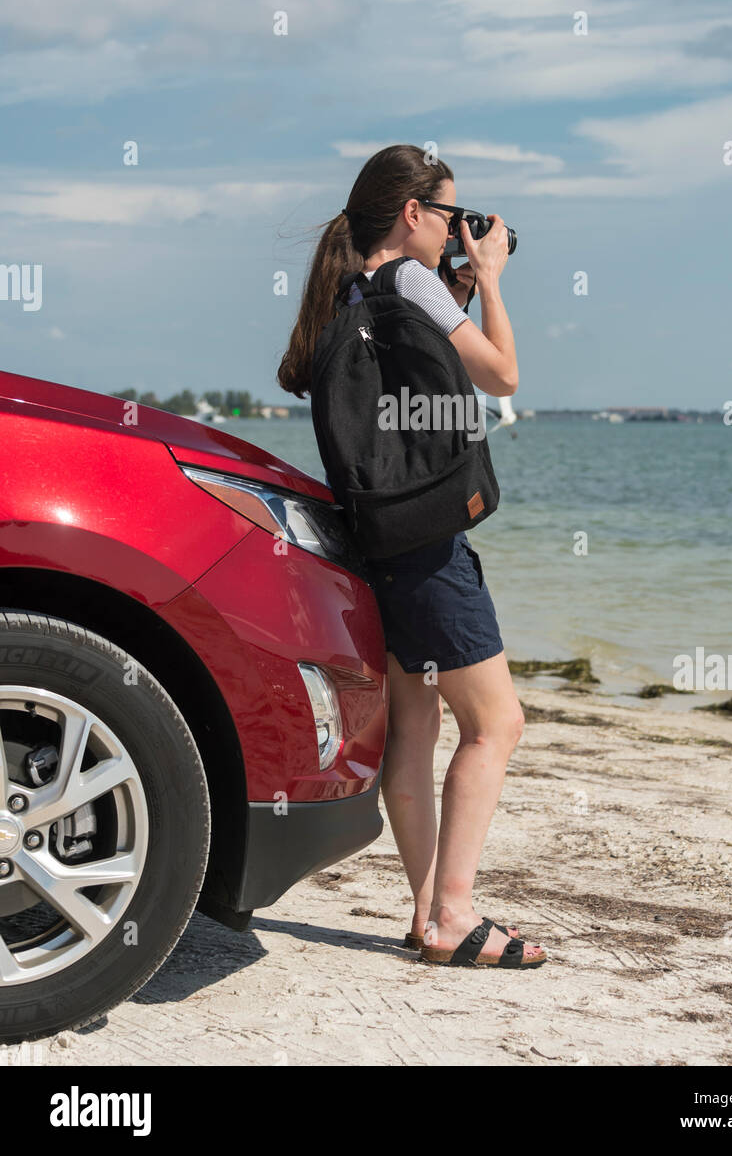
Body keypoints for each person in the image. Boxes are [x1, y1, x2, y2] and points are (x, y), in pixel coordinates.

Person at [278, 144, 546, 968]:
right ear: (412, 214)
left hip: (377, 545)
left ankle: (428, 912)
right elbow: (500, 375)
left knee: (417, 724)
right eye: (450, 214)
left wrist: (458, 281)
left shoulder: (346, 295)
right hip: (427, 549)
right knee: (496, 723)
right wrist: (490, 276)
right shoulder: (409, 281)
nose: (458, 230)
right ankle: (453, 916)